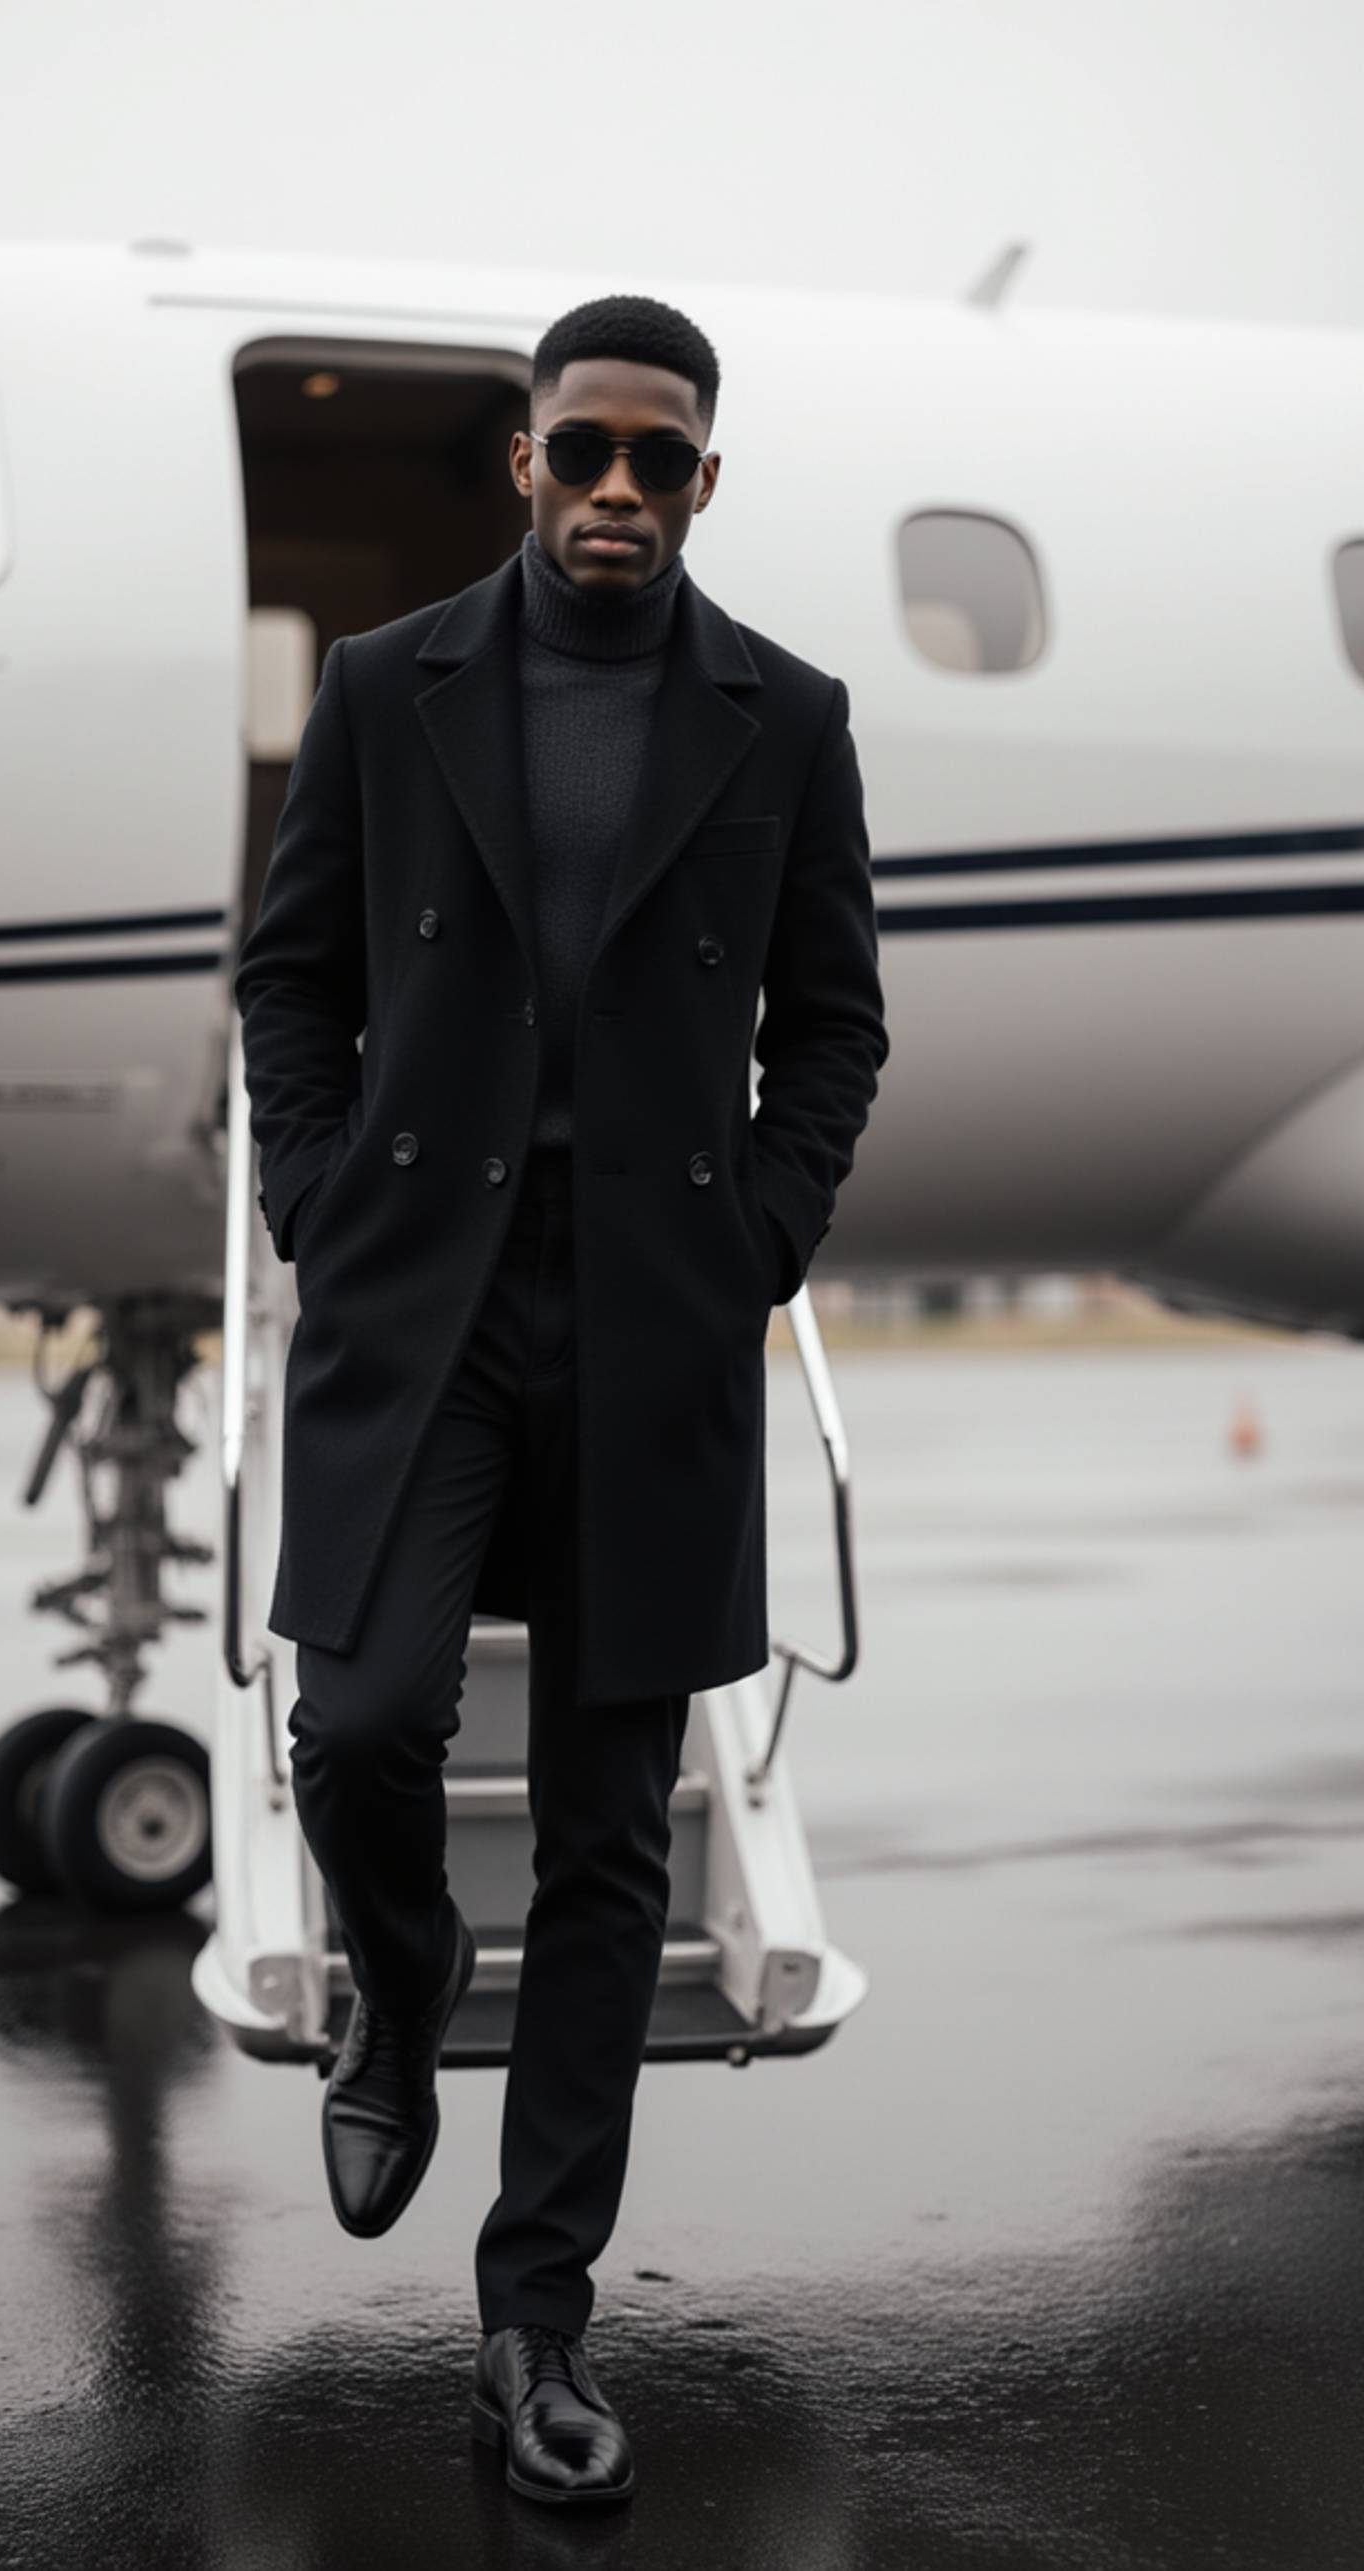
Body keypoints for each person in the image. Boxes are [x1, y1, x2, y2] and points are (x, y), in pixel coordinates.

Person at [233, 291, 889, 2508]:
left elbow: (836, 1023)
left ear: (705, 480)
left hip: (650, 1321)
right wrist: (321, 1202)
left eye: (658, 458)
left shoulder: (785, 717)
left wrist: (749, 1242)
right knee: (358, 1721)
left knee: (611, 1842)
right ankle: (401, 1980)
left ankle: (537, 2320)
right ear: (523, 458)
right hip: (423, 1304)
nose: (618, 486)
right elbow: (290, 974)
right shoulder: (383, 685)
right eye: (582, 448)